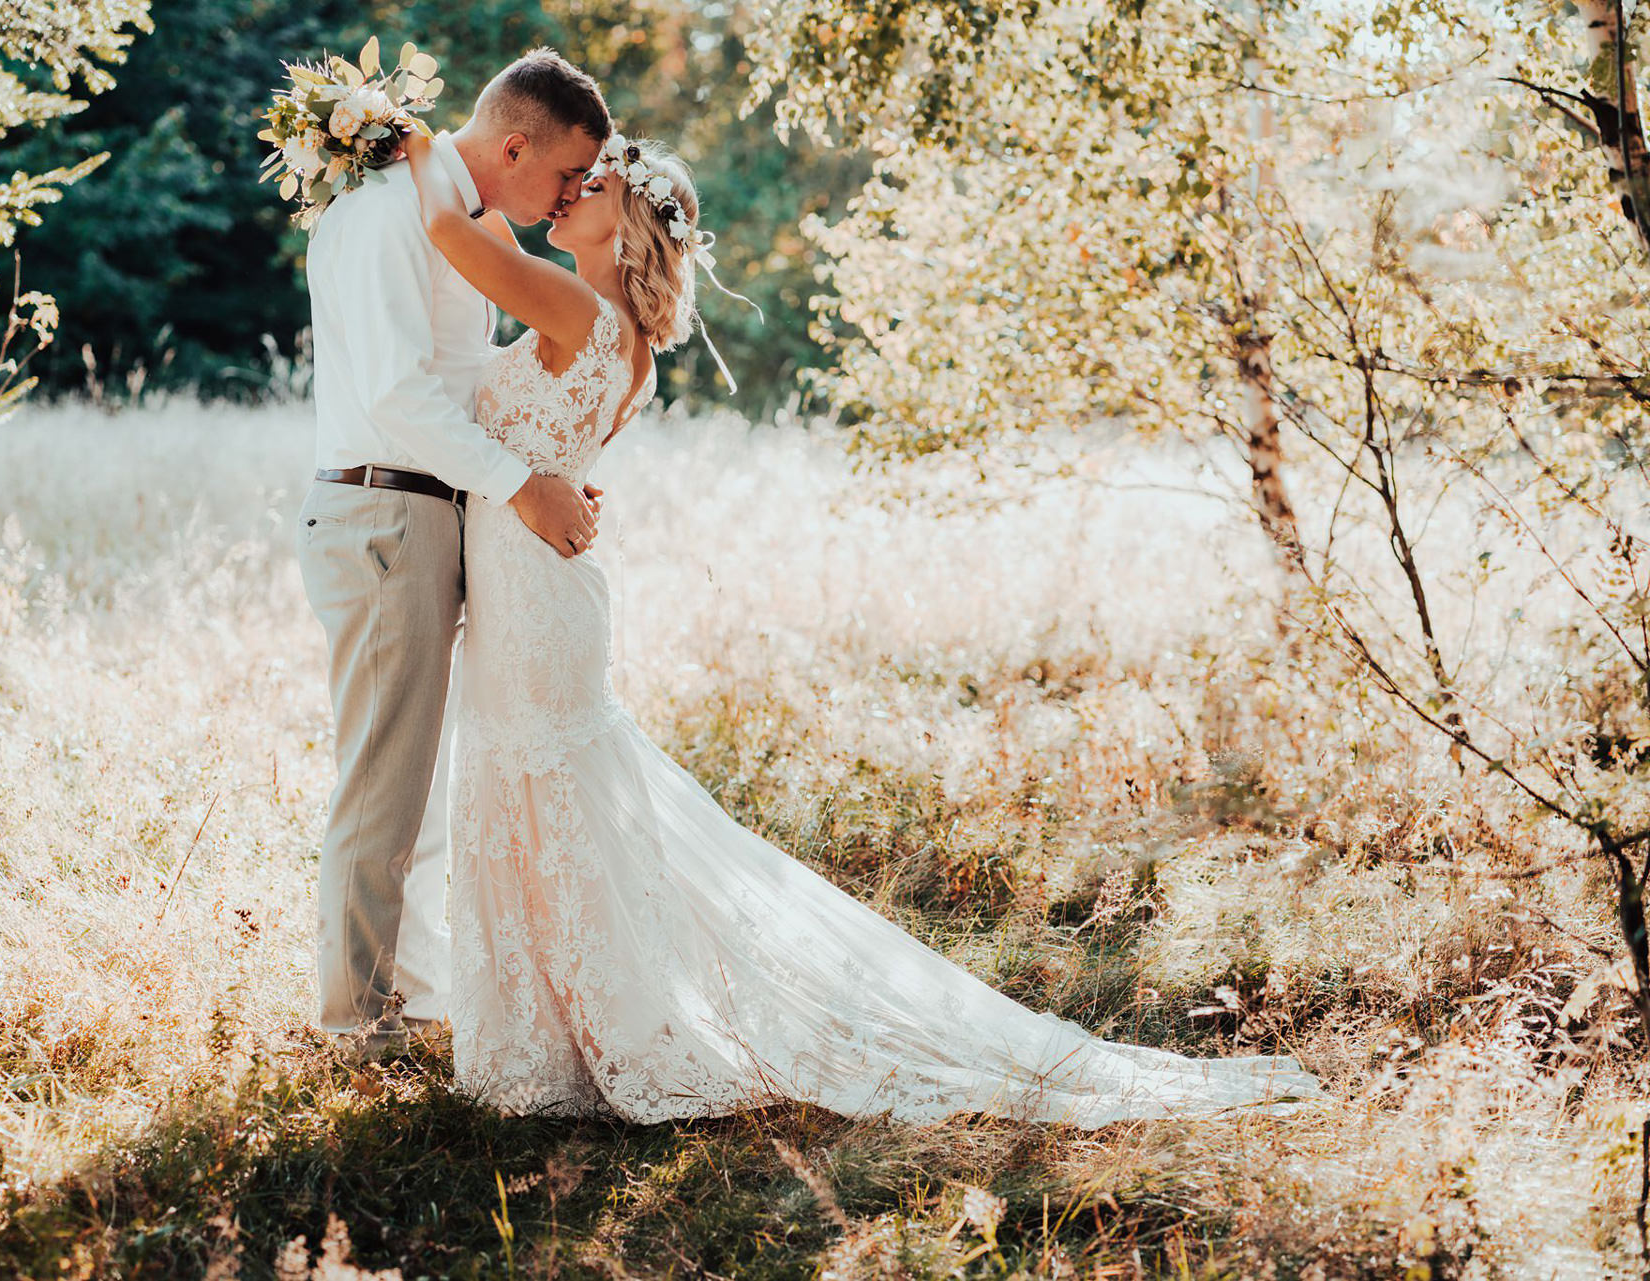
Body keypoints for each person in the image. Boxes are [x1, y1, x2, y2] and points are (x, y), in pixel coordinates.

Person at [403, 128, 1330, 1126]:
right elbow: (519, 329)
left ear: (624, 224)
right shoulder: (620, 339)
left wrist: (401, 136)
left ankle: (585, 1036)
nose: (567, 191)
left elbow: (453, 228)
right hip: (538, 588)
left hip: (537, 598)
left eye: (590, 185)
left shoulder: (578, 309)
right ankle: (567, 1029)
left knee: (546, 797)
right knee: (545, 799)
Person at [295, 50, 610, 1059]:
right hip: (385, 511)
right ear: (515, 147)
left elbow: (467, 380)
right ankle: (357, 1027)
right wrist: (520, 484)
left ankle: (414, 996)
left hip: (428, 511)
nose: (571, 195)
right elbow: (396, 395)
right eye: (566, 174)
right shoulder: (389, 215)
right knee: (384, 783)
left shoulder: (448, 222)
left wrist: (548, 465)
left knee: (420, 785)